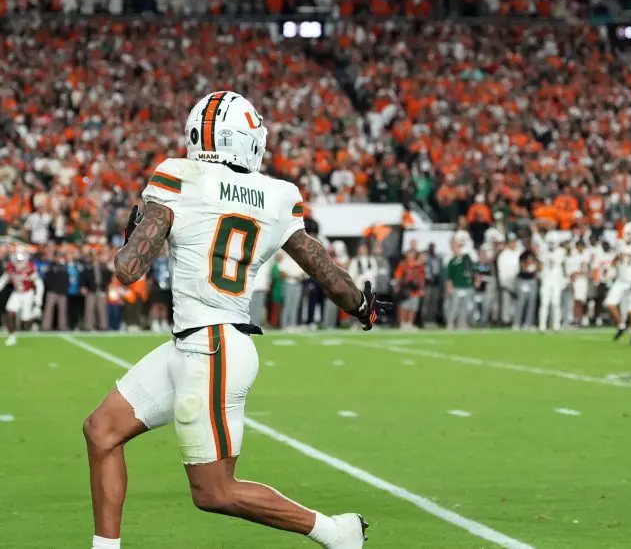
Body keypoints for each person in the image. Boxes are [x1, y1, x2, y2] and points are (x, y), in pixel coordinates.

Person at [81, 92, 390, 549]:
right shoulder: (278, 195)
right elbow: (325, 273)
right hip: (197, 345)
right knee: (102, 431)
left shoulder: (178, 176)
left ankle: (336, 532)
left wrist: (137, 230)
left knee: (214, 492)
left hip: (212, 348)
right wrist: (362, 306)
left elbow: (128, 270)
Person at [604, 222, 631, 345]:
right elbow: (617, 258)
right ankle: (622, 325)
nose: (629, 236)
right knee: (609, 304)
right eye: (628, 234)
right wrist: (609, 267)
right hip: (620, 280)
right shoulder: (620, 245)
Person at [0, 248, 44, 346]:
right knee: (10, 312)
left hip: (27, 294)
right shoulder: (11, 267)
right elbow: (3, 280)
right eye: (17, 260)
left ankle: (34, 319)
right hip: (16, 293)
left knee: (25, 322)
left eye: (20, 260)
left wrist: (38, 302)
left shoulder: (30, 268)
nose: (18, 263)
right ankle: (11, 337)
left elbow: (39, 284)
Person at [538, 232, 567, 332]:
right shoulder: (543, 251)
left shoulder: (561, 251)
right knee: (544, 303)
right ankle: (542, 325)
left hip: (556, 280)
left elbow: (559, 263)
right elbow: (542, 262)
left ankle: (556, 324)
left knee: (556, 303)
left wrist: (564, 279)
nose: (551, 245)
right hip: (546, 279)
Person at [444, 238, 475, 329]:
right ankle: (450, 324)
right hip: (457, 287)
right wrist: (449, 287)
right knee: (454, 307)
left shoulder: (467, 259)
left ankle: (463, 324)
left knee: (465, 308)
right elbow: (449, 276)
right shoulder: (452, 261)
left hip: (467, 286)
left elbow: (473, 271)